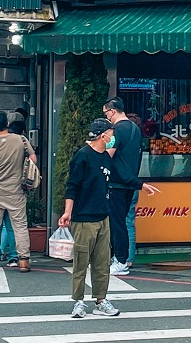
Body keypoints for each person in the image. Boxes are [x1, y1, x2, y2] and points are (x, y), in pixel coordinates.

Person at [60, 118, 120, 319]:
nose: (113, 137)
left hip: (103, 217)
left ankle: (101, 300)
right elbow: (72, 186)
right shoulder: (82, 157)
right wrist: (68, 211)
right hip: (83, 218)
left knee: (102, 263)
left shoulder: (105, 157)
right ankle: (78, 301)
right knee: (81, 263)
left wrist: (140, 185)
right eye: (111, 133)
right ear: (102, 135)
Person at [102, 97, 160, 276]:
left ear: (112, 111)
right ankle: (122, 259)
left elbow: (107, 154)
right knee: (124, 223)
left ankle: (119, 260)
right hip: (130, 182)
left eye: (106, 113)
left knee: (117, 223)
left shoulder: (116, 130)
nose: (106, 117)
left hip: (116, 182)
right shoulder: (135, 128)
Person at [0, 111, 37, 273]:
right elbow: (33, 160)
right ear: (7, 124)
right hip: (16, 190)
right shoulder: (21, 140)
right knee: (19, 225)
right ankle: (24, 260)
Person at [125, 113, 144, 269]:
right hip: (134, 184)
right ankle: (129, 257)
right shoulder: (138, 144)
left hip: (124, 186)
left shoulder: (123, 146)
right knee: (129, 223)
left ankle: (124, 257)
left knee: (123, 222)